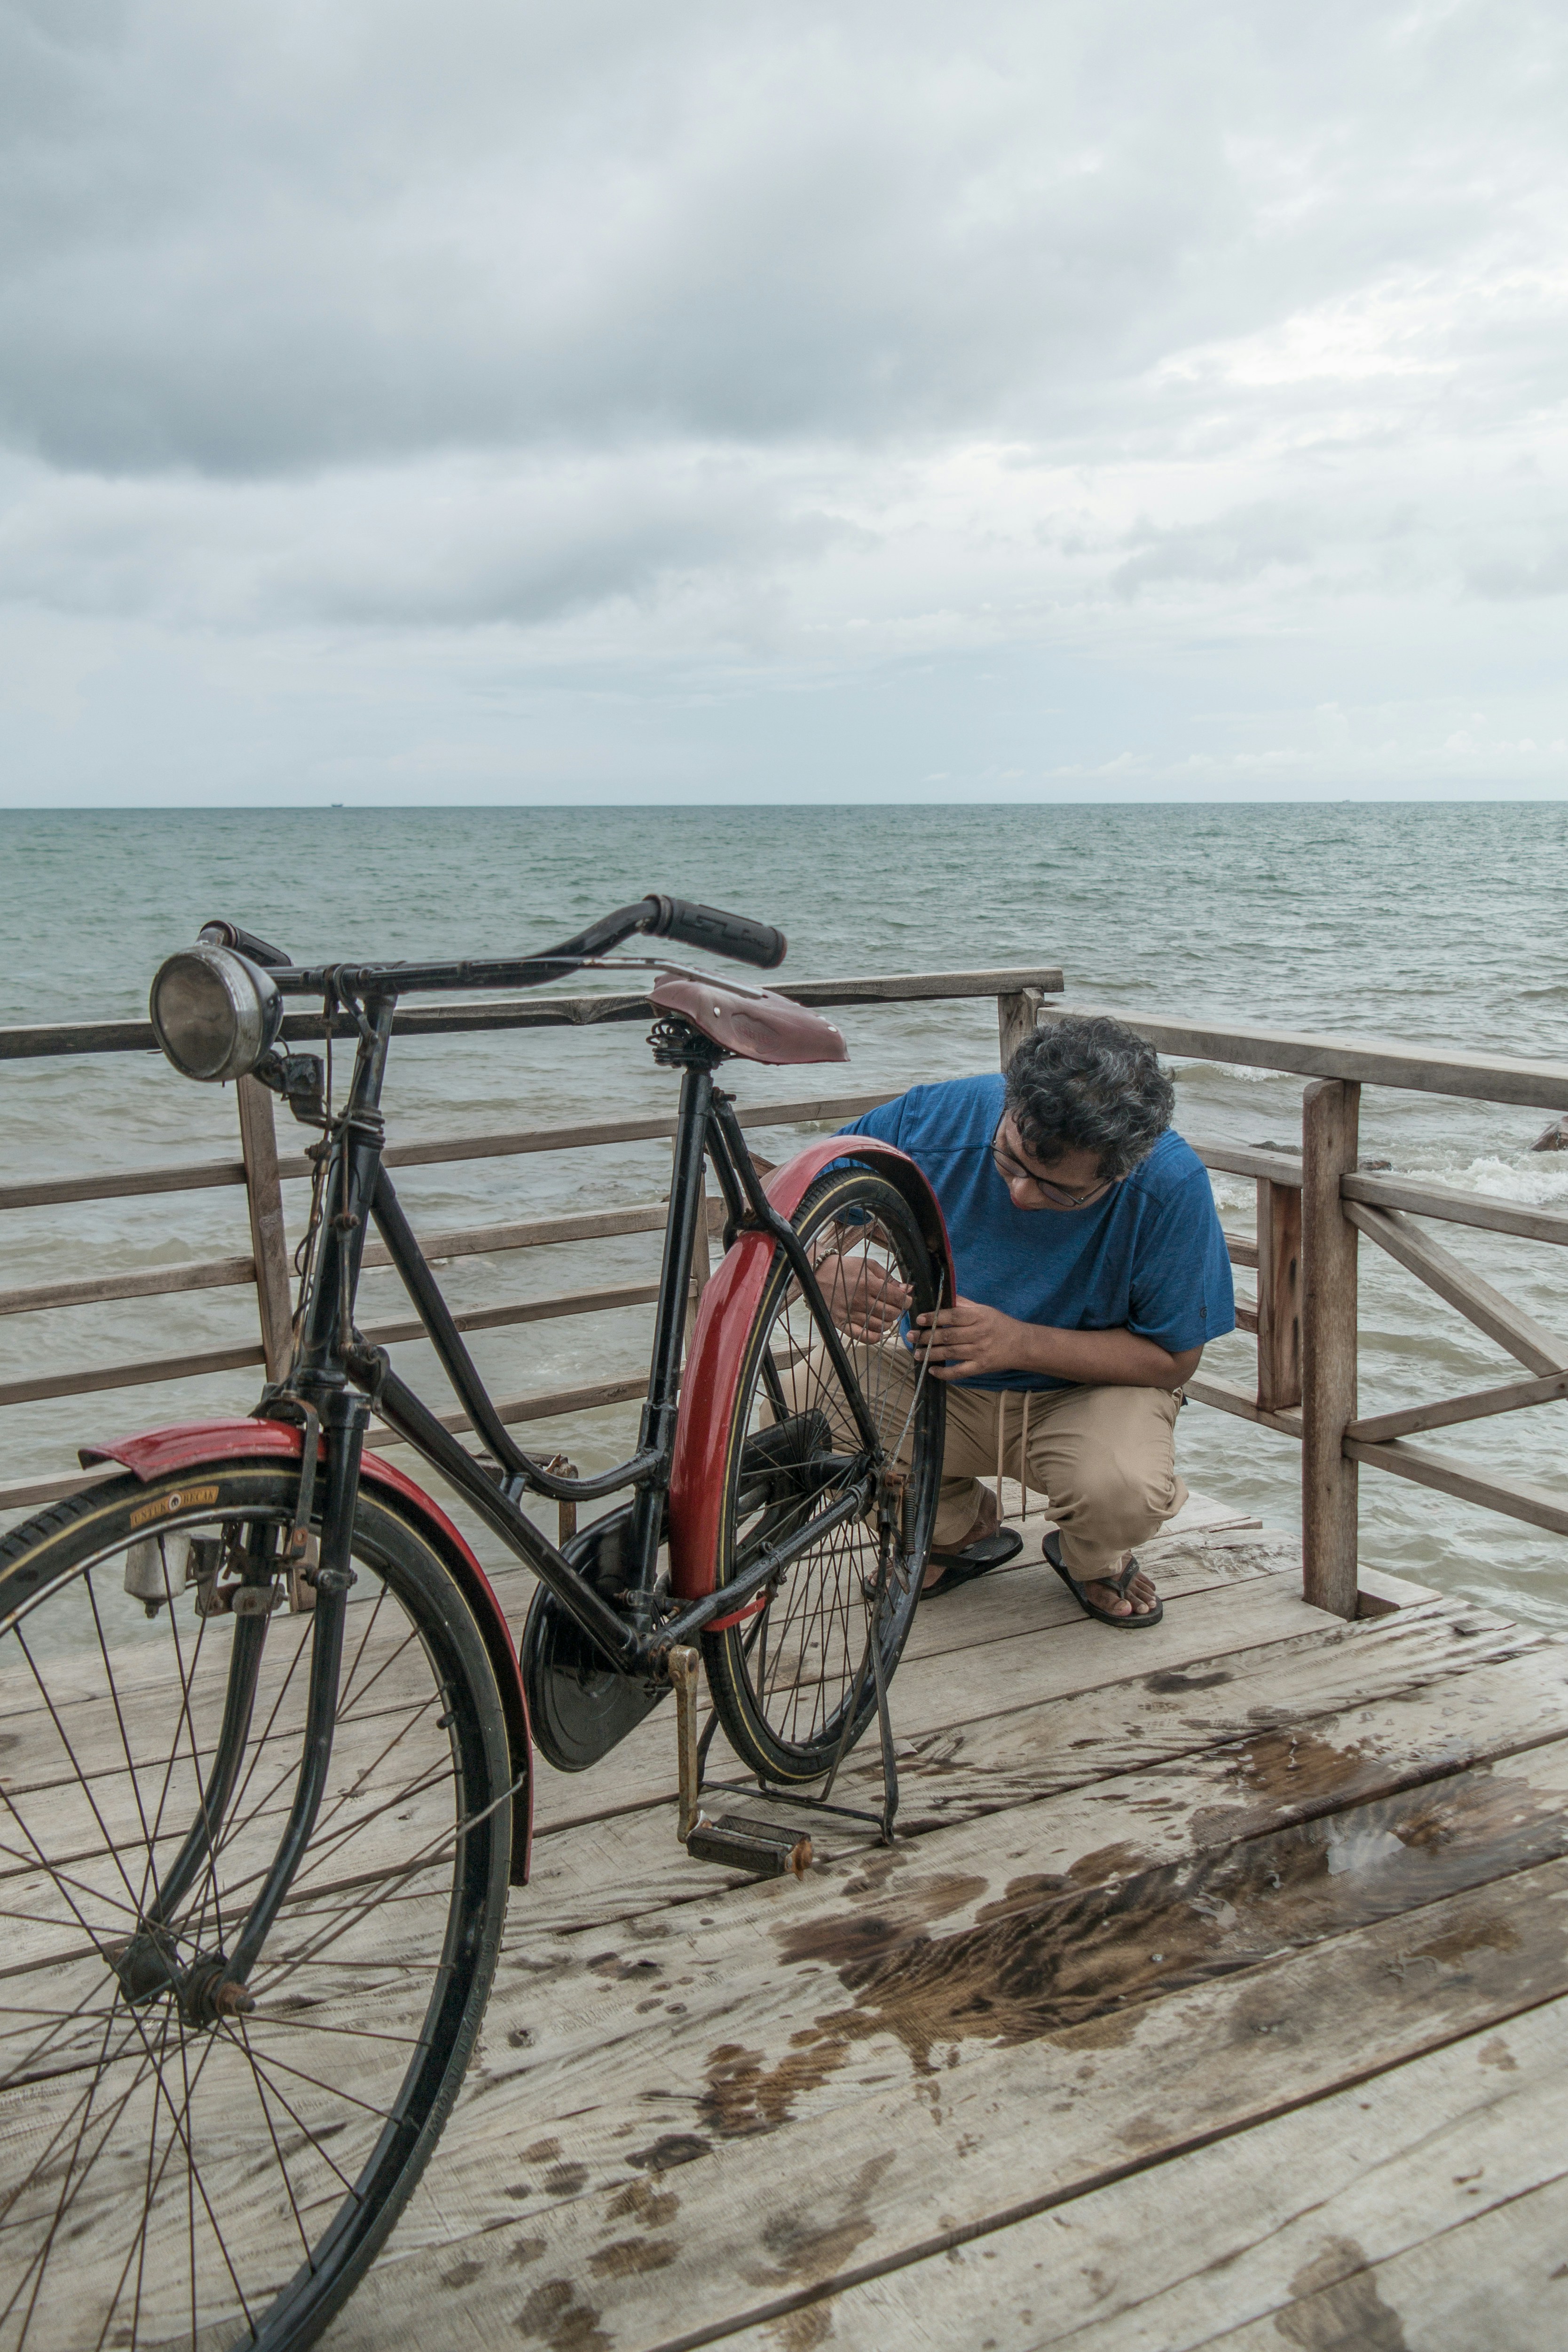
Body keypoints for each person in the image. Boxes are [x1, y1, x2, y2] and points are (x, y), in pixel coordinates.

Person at [833, 1012, 1234, 1626]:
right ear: (1011, 1103)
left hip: (1084, 1401)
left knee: (1122, 1489)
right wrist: (823, 1265)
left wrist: (1018, 1342)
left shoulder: (1170, 1184)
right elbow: (796, 1193)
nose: (1020, 1193)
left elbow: (1176, 1358)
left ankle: (1093, 1558)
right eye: (1010, 1160)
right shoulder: (936, 1118)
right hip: (938, 1388)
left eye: (1057, 1190)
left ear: (1121, 1169)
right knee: (809, 1415)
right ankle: (955, 1529)